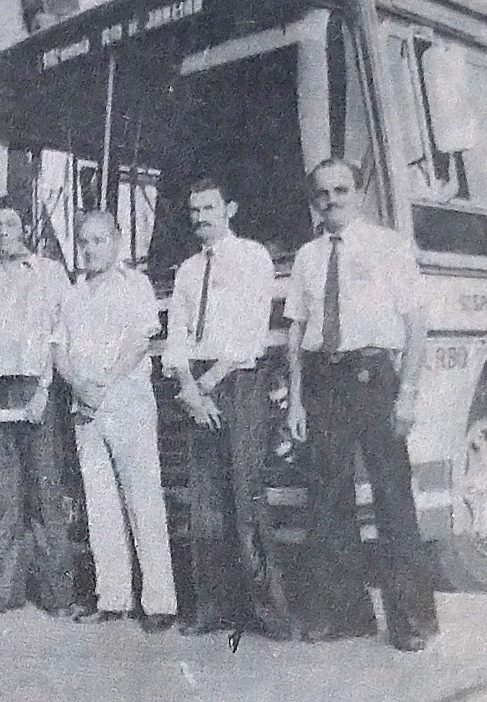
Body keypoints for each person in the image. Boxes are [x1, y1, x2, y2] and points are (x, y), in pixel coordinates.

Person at [285, 157, 438, 652]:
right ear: (314, 202)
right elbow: (296, 331)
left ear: (358, 194)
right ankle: (346, 616)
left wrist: (408, 392)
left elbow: (417, 324)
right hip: (324, 382)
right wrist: (296, 402)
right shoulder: (308, 257)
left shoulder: (389, 247)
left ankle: (411, 621)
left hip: (374, 379)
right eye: (323, 193)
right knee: (329, 502)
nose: (332, 200)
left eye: (341, 189)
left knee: (392, 499)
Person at [164, 177, 294, 640]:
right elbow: (176, 335)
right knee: (204, 504)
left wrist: (208, 385)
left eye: (210, 209)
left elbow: (250, 331)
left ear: (229, 209)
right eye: (194, 211)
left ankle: (267, 611)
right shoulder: (185, 270)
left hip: (237, 383)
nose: (201, 218)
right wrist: (190, 390)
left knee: (245, 498)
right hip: (197, 387)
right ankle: (210, 608)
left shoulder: (253, 258)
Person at [53, 210, 177, 633]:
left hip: (127, 404)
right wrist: (79, 386)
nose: (91, 249)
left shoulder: (135, 285)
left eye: (100, 240)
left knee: (143, 499)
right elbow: (59, 352)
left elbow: (141, 340)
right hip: (85, 410)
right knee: (100, 502)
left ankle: (159, 602)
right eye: (84, 241)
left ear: (117, 240)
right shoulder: (71, 295)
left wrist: (103, 384)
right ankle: (114, 597)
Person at [0, 199, 76, 617]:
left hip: (37, 388)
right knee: (5, 496)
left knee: (46, 493)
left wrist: (44, 391)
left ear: (27, 228)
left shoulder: (50, 274)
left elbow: (59, 335)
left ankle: (58, 596)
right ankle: (5, 592)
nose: (4, 232)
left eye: (12, 224)